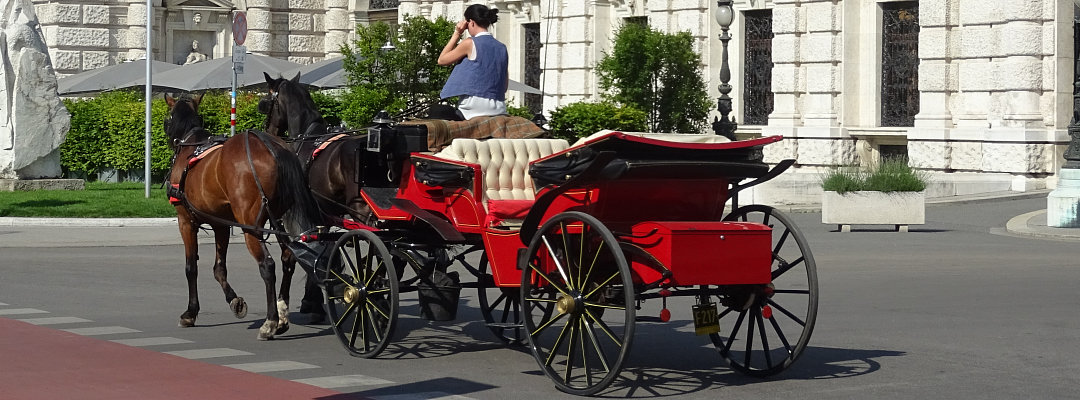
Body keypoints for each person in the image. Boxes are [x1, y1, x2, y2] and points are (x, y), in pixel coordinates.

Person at [437, 4, 508, 120]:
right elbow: (504, 87)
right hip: (499, 108)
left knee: (439, 114)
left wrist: (457, 33)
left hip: (473, 108)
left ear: (471, 22)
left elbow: (442, 60)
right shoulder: (502, 48)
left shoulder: (470, 43)